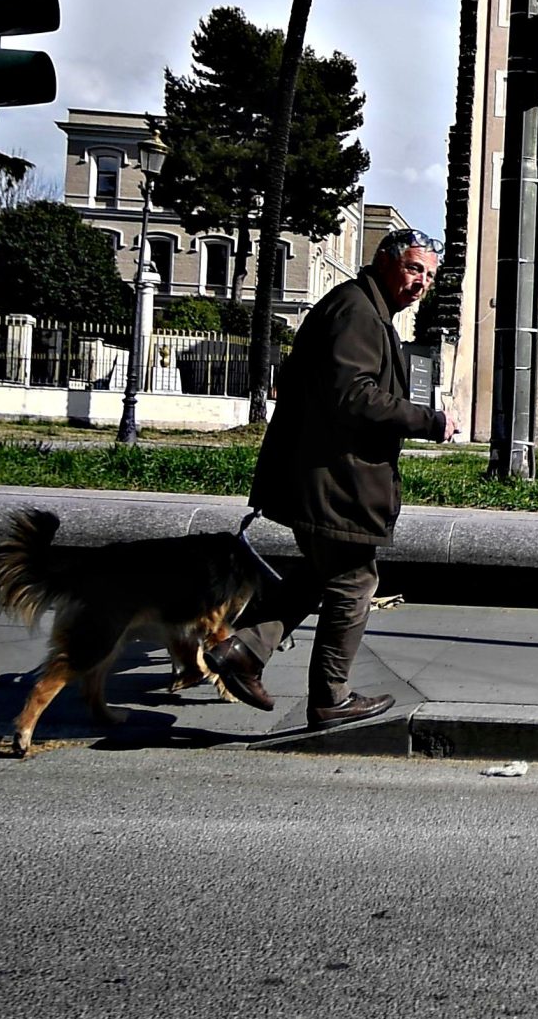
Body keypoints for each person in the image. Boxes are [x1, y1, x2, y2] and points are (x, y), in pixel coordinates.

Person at [207, 227, 448, 729]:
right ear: (385, 261)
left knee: (318, 574)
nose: (421, 283)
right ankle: (330, 697)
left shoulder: (364, 308)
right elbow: (353, 395)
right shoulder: (358, 312)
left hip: (324, 475)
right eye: (413, 269)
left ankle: (245, 652)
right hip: (334, 478)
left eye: (428, 275)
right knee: (355, 583)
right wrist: (428, 420)